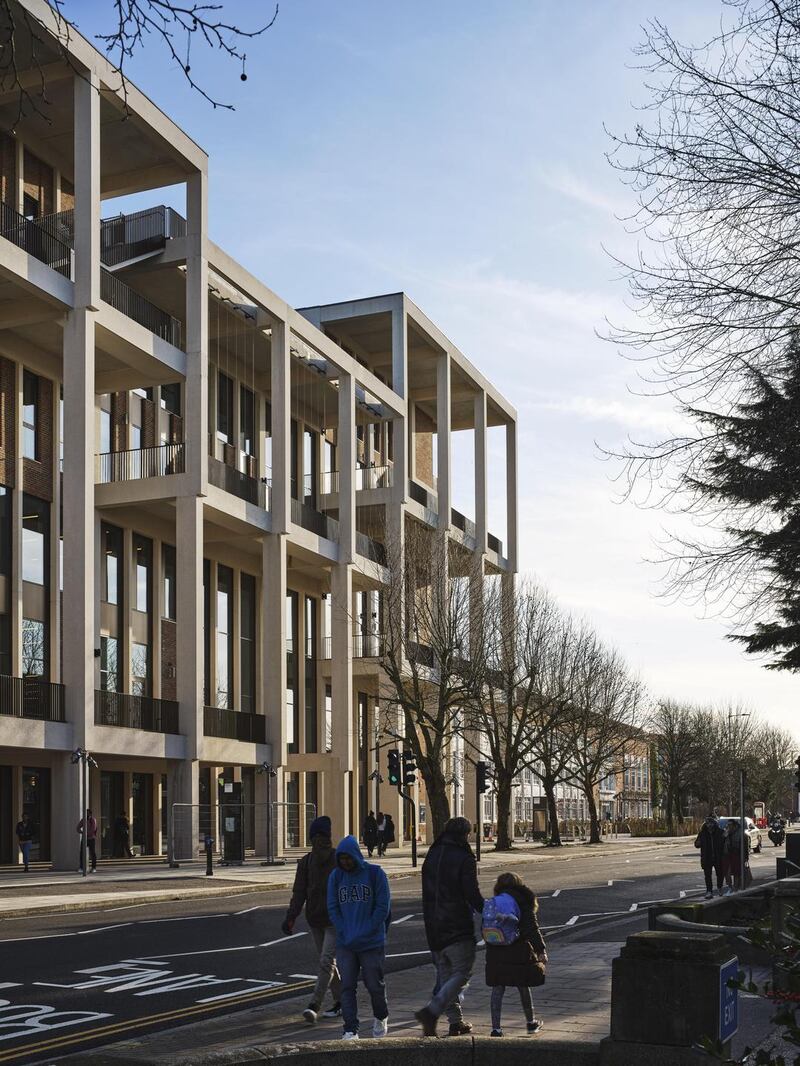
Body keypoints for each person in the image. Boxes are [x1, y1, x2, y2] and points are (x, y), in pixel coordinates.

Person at [415, 816, 484, 1038]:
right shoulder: (464, 858)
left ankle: (456, 1022)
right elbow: (471, 893)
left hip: (433, 926)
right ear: (465, 834)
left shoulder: (432, 855)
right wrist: (489, 912)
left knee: (446, 976)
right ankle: (432, 1011)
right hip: (456, 925)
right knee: (463, 972)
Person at [327, 834, 391, 1041]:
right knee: (347, 987)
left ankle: (381, 1016)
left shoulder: (375, 874)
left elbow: (383, 907)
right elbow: (333, 907)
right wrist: (343, 930)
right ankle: (350, 1029)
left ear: (356, 854)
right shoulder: (336, 877)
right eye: (341, 858)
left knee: (374, 985)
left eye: (348, 857)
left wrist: (368, 929)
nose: (345, 862)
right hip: (346, 943)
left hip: (371, 942)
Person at [281, 815, 342, 1024]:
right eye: (316, 837)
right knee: (328, 964)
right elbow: (299, 892)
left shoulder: (338, 859)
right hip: (316, 919)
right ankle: (341, 1001)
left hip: (335, 920)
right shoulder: (306, 862)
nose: (320, 841)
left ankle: (314, 1005)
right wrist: (291, 917)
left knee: (326, 962)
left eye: (322, 836)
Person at [484, 871, 547, 1037]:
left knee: (497, 987)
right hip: (517, 948)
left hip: (495, 949)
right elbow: (531, 927)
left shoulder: (494, 901)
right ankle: (531, 1022)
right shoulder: (522, 900)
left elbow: (485, 924)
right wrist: (540, 950)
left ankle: (496, 1028)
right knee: (523, 984)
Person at [694, 814, 725, 898]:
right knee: (707, 876)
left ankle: (720, 888)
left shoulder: (720, 832)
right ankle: (709, 891)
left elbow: (724, 843)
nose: (709, 825)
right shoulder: (702, 833)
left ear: (714, 823)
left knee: (720, 874)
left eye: (711, 823)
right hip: (707, 857)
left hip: (718, 857)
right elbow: (696, 844)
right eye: (707, 823)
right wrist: (698, 843)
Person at [723, 819, 750, 894]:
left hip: (737, 855)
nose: (728, 826)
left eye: (730, 825)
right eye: (727, 825)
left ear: (734, 826)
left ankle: (735, 888)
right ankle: (730, 887)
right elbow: (722, 844)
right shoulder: (726, 833)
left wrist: (745, 858)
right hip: (727, 855)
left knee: (736, 873)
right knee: (727, 872)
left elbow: (745, 847)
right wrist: (724, 837)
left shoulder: (741, 834)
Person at [77, 809, 98, 873]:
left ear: (90, 814)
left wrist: (87, 834)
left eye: (88, 813)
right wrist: (82, 832)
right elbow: (78, 827)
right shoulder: (83, 820)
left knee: (93, 853)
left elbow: (93, 829)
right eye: (86, 813)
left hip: (91, 839)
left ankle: (93, 867)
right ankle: (81, 867)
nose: (87, 815)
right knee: (82, 853)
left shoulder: (93, 820)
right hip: (84, 839)